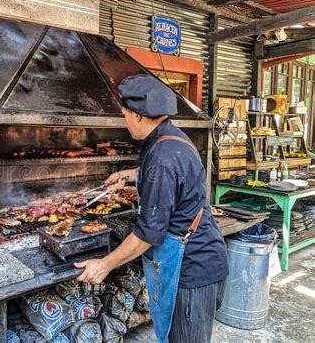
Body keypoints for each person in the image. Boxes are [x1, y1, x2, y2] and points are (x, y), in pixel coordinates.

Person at [74, 74, 229, 343]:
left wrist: (103, 265)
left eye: (124, 114)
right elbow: (167, 175)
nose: (125, 121)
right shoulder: (170, 139)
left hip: (192, 271)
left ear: (137, 115)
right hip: (201, 260)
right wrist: (129, 174)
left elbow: (148, 234)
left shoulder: (162, 158)